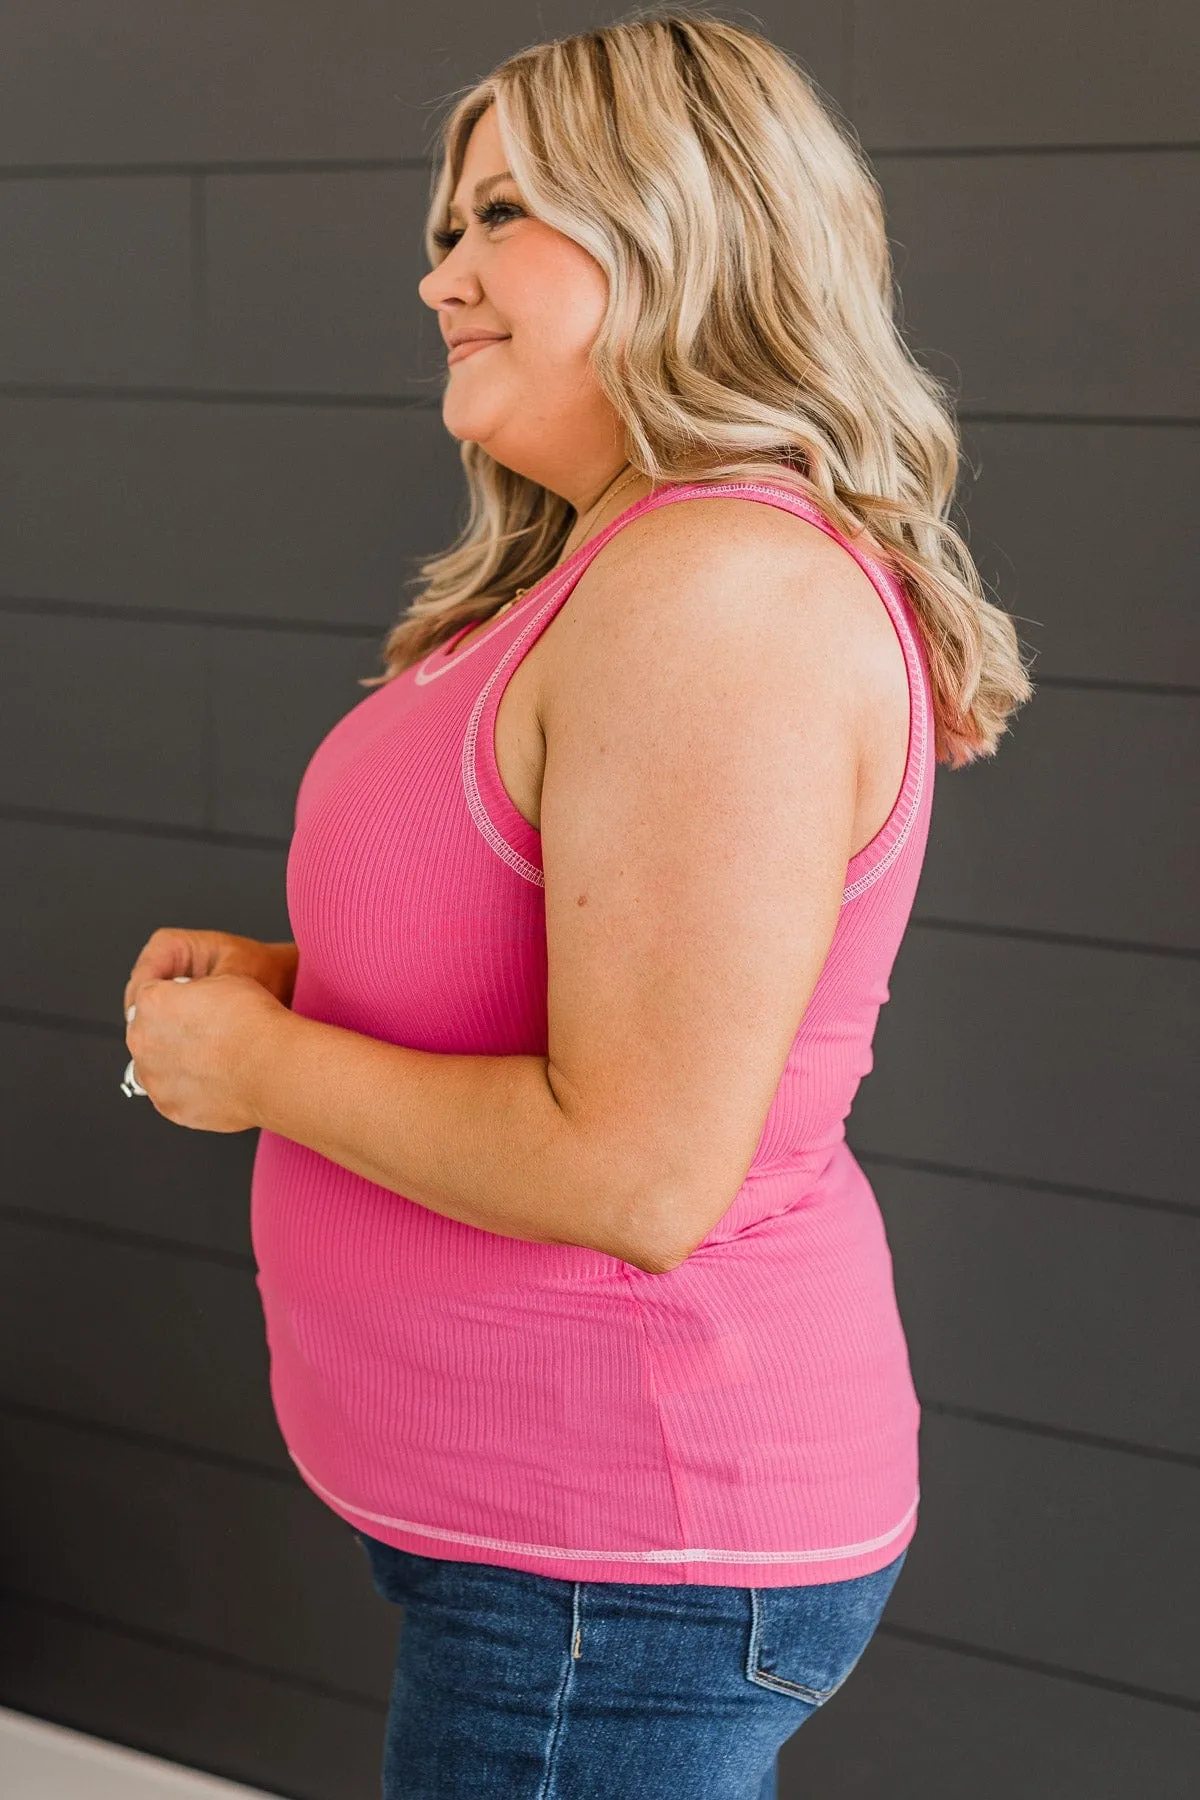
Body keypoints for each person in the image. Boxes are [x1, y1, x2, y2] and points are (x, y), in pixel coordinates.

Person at [121, 11, 1032, 1797]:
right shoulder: (626, 567)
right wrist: (307, 988)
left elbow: (634, 1167)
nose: (439, 274)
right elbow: (569, 978)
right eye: (446, 227)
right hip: (551, 1553)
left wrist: (256, 1062)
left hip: (621, 1563)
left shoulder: (722, 598)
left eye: (504, 217)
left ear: (685, 227)